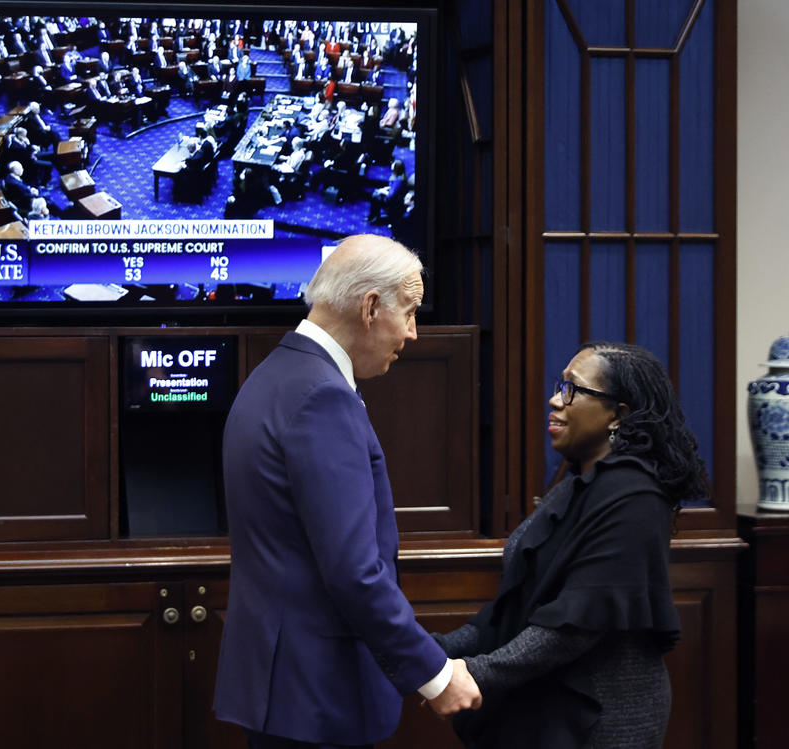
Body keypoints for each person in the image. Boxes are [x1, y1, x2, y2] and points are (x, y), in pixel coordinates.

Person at [213, 236, 476, 748]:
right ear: (372, 307)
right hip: (316, 693)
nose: (414, 333)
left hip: (282, 687)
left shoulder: (275, 374)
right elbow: (355, 572)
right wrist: (436, 675)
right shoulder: (321, 396)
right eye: (411, 312)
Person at [431, 341, 708, 748]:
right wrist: (430, 653)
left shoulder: (638, 497)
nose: (555, 400)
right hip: (544, 698)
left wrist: (472, 673)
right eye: (559, 386)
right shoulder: (576, 487)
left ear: (619, 415)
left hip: (600, 717)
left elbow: (574, 626)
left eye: (572, 390)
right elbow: (511, 610)